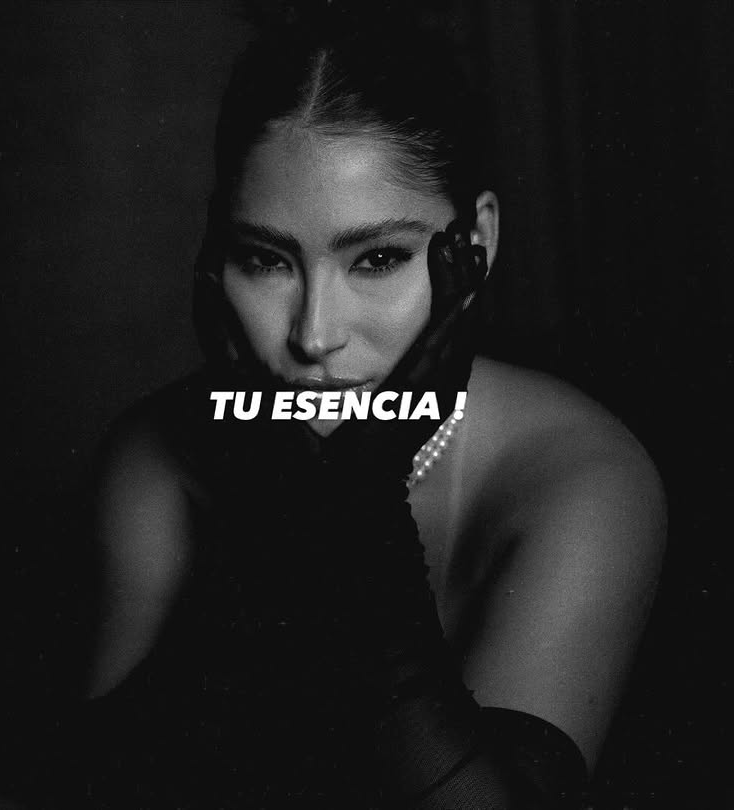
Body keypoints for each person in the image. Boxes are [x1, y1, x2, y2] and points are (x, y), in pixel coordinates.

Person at [70, 6, 666, 808]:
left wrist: (361, 510)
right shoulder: (156, 455)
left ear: (477, 245)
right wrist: (279, 510)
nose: (314, 335)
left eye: (379, 258)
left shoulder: (579, 476)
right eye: (264, 260)